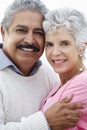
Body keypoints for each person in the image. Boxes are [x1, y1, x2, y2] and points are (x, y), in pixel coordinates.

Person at [0, 0, 84, 129]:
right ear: (3, 33)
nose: (29, 40)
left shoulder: (49, 76)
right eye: (21, 30)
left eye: (38, 33)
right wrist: (44, 122)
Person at [41, 8, 87, 129]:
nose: (55, 52)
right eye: (49, 44)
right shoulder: (58, 84)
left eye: (64, 44)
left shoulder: (82, 83)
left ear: (81, 47)